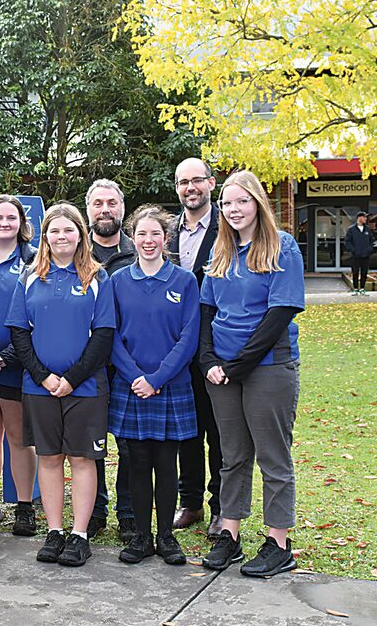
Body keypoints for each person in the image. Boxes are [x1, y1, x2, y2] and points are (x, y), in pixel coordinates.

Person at [199, 170, 305, 578]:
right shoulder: (221, 251)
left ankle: (279, 543)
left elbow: (280, 312)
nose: (234, 209)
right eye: (227, 203)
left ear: (258, 203)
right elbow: (207, 310)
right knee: (232, 455)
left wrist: (239, 364)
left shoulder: (282, 247)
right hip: (223, 372)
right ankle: (230, 534)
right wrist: (208, 359)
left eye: (242, 201)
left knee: (273, 457)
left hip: (268, 367)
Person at [8, 203, 115, 568]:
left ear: (80, 235)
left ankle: (79, 534)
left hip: (85, 389)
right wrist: (43, 376)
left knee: (83, 459)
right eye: (54, 230)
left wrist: (72, 379)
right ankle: (54, 531)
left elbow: (103, 335)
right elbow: (19, 332)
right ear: (45, 237)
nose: (61, 236)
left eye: (69, 230)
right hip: (39, 387)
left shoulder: (97, 278)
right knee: (50, 458)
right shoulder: (29, 276)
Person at [110, 206, 200, 565]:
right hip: (131, 386)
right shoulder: (118, 281)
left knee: (166, 465)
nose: (148, 241)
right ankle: (142, 538)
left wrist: (157, 378)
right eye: (142, 234)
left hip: (170, 386)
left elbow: (189, 337)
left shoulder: (184, 281)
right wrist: (137, 378)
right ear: (133, 238)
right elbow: (111, 334)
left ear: (166, 238)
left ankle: (165, 537)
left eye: (156, 234)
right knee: (136, 463)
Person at [0, 194, 39, 537]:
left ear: (21, 223)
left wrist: (8, 356)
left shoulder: (33, 259)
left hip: (16, 363)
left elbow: (37, 313)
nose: (4, 223)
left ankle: (25, 507)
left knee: (18, 436)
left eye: (11, 218)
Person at [166, 158, 223, 539]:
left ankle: (221, 506)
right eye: (183, 182)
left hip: (215, 347)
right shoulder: (169, 232)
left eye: (197, 180)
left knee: (218, 433)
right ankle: (190, 502)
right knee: (186, 431)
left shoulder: (227, 229)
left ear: (211, 183)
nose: (191, 188)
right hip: (176, 349)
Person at [84, 179, 136, 542]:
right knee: (91, 443)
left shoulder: (139, 252)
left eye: (112, 203)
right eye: (98, 203)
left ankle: (129, 512)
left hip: (128, 365)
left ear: (122, 208)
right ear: (88, 209)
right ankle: (95, 510)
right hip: (87, 366)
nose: (105, 209)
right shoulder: (74, 251)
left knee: (129, 444)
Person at [344, 211, 374, 296]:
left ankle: (362, 289)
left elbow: (371, 241)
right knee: (355, 272)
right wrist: (353, 250)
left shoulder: (367, 229)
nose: (366, 219)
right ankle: (355, 289)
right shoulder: (351, 229)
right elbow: (347, 242)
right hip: (355, 256)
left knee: (364, 273)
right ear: (359, 218)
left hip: (365, 255)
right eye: (364, 217)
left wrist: (369, 249)